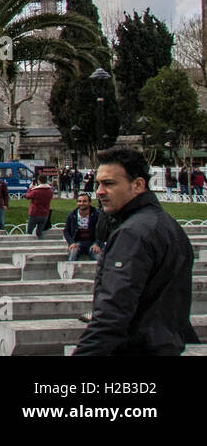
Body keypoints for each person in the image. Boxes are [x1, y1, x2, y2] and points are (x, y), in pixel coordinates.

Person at [74, 147, 199, 356]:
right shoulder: (167, 225)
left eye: (109, 184)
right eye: (98, 184)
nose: (99, 192)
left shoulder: (133, 234)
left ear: (138, 184)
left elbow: (112, 314)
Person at [63, 192, 109, 261]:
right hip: (78, 242)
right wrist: (71, 243)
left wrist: (97, 244)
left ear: (89, 202)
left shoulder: (97, 214)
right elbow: (66, 231)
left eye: (84, 201)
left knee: (97, 257)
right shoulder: (72, 215)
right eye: (79, 201)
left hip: (93, 242)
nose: (81, 203)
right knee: (73, 253)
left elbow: (102, 230)